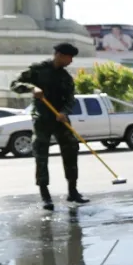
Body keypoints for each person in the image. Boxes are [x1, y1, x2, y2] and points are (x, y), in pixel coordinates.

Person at [11, 43, 85, 209]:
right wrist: (31, 88)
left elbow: (71, 99)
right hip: (42, 118)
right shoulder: (37, 70)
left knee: (71, 149)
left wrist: (65, 112)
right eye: (69, 57)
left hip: (61, 119)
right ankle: (45, 196)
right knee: (41, 154)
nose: (71, 61)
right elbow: (14, 84)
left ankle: (73, 191)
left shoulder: (66, 77)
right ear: (58, 54)